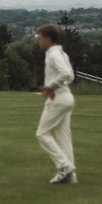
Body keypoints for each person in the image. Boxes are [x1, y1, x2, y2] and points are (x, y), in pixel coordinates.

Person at [35, 23, 76, 185]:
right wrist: (57, 84)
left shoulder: (53, 54)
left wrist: (50, 86)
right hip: (66, 98)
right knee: (63, 136)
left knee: (42, 134)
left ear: (47, 38)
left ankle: (64, 166)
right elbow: (70, 76)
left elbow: (66, 74)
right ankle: (70, 176)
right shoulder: (61, 53)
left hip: (57, 99)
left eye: (40, 38)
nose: (39, 41)